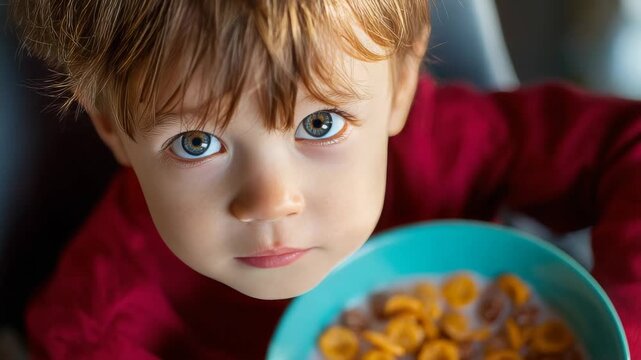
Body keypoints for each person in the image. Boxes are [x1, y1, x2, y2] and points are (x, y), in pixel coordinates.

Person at [10, 0, 640, 358]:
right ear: (115, 130)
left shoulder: (440, 143)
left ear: (398, 86)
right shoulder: (98, 326)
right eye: (197, 142)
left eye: (318, 125)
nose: (270, 200)